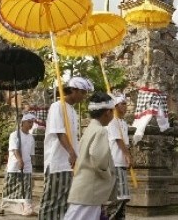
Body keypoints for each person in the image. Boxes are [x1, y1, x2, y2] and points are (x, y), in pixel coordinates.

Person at [39, 76, 94, 220]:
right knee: (52, 200)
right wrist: (71, 152)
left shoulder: (73, 111)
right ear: (73, 90)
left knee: (65, 201)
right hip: (57, 161)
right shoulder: (57, 106)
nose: (84, 96)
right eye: (82, 92)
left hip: (70, 163)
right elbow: (59, 131)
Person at [64, 92, 116, 220]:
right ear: (107, 112)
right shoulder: (101, 131)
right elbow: (99, 160)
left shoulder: (89, 129)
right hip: (91, 189)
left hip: (84, 187)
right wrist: (108, 176)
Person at [0, 113, 36, 217]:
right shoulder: (14, 135)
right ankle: (4, 206)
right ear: (23, 122)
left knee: (27, 187)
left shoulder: (31, 137)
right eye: (29, 122)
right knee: (10, 186)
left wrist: (31, 165)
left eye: (32, 122)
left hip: (27, 165)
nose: (31, 124)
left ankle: (27, 207)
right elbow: (15, 149)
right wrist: (20, 160)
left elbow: (32, 154)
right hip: (14, 165)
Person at [105, 94, 131, 219]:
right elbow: (118, 140)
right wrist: (127, 155)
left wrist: (127, 155)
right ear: (116, 106)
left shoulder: (124, 123)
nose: (126, 106)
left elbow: (125, 142)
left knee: (124, 197)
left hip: (122, 163)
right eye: (123, 104)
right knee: (118, 196)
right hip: (115, 162)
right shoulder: (112, 121)